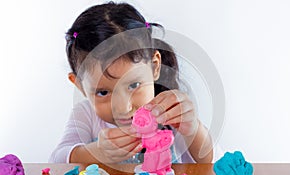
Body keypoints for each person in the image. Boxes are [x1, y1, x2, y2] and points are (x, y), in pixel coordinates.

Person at [49, 2, 214, 164]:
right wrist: (97, 153)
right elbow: (57, 159)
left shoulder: (169, 111)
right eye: (103, 92)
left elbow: (208, 160)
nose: (124, 107)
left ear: (155, 66)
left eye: (134, 85)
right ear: (79, 86)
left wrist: (192, 128)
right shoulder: (85, 114)